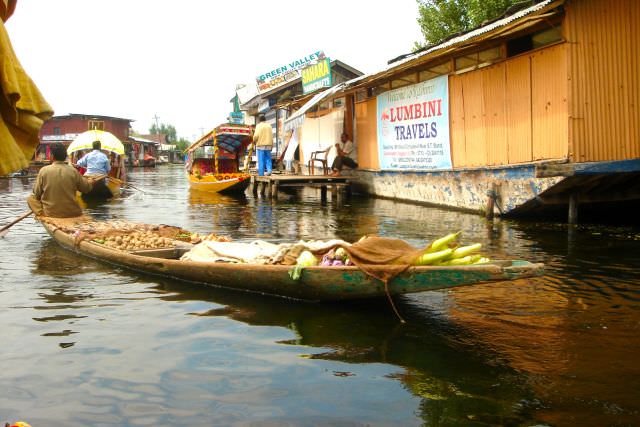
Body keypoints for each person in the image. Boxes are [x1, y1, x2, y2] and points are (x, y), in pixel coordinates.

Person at [27, 143, 95, 218]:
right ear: (65, 156)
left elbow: (37, 193)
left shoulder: (44, 171)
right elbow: (86, 188)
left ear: (52, 156)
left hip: (51, 213)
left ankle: (42, 215)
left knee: (31, 198)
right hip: (74, 212)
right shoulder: (73, 171)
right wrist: (90, 183)